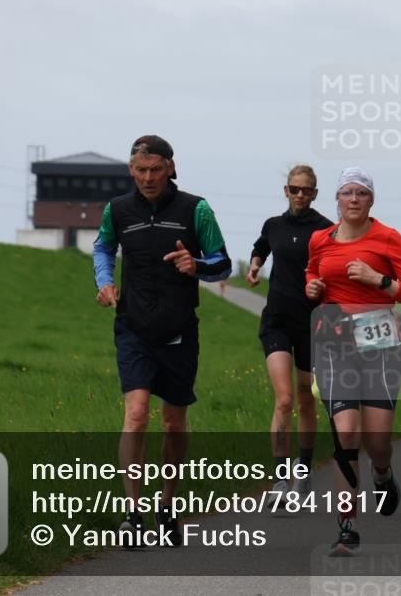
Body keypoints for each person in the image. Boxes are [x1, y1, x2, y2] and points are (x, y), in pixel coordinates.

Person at [93, 134, 231, 547]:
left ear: (170, 167)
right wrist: (104, 282)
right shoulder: (117, 209)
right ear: (131, 171)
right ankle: (133, 514)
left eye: (156, 170)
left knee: (173, 422)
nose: (148, 178)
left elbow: (222, 262)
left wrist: (197, 264)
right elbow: (103, 247)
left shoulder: (196, 209)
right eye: (141, 170)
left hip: (178, 331)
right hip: (133, 327)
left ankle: (166, 505)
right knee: (135, 415)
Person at [305, 167, 401, 556]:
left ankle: (382, 472)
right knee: (347, 436)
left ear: (371, 201)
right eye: (347, 193)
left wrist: (379, 281)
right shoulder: (319, 239)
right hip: (333, 343)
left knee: (377, 442)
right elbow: (312, 270)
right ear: (336, 200)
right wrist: (312, 286)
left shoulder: (388, 238)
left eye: (361, 193)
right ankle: (347, 525)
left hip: (379, 344)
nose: (353, 199)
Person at [247, 165, 332, 498]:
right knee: (284, 400)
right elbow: (261, 246)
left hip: (313, 324)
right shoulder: (274, 225)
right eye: (294, 189)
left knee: (306, 400)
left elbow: (335, 268)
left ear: (314, 193)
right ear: (286, 190)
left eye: (306, 190)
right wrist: (255, 266)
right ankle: (281, 480)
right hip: (277, 321)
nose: (300, 195)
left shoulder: (326, 230)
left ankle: (304, 473)